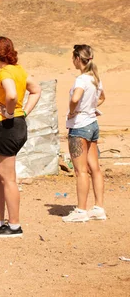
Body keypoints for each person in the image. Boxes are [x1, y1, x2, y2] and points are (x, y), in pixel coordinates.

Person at [0, 37, 41, 238]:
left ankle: (15, 225)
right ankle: (0, 221)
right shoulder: (19, 70)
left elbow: (11, 96)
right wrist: (24, 112)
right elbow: (36, 90)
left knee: (8, 179)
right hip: (14, 125)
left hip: (6, 127)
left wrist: (11, 112)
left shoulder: (6, 72)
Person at [62, 44, 106, 222]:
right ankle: (98, 207)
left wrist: (73, 111)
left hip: (80, 126)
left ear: (78, 59)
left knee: (81, 171)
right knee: (94, 168)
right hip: (92, 124)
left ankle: (81, 210)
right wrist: (91, 108)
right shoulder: (95, 78)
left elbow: (74, 98)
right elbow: (102, 97)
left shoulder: (81, 80)